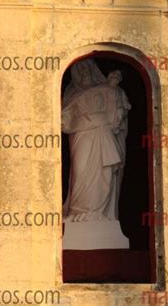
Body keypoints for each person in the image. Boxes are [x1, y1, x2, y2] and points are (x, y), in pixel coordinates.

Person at [62, 59, 131, 223]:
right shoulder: (72, 94)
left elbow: (119, 115)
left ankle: (97, 213)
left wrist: (115, 117)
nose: (84, 71)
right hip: (81, 134)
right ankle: (77, 210)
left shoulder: (109, 90)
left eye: (87, 67)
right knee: (80, 171)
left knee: (103, 171)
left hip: (102, 133)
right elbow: (64, 118)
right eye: (79, 68)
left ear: (94, 69)